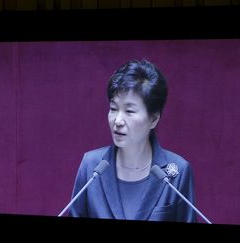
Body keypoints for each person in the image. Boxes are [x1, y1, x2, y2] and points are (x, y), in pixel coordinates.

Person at [68, 59, 196, 223]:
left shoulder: (178, 171)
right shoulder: (91, 166)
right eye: (113, 108)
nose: (118, 120)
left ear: (154, 119)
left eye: (129, 111)